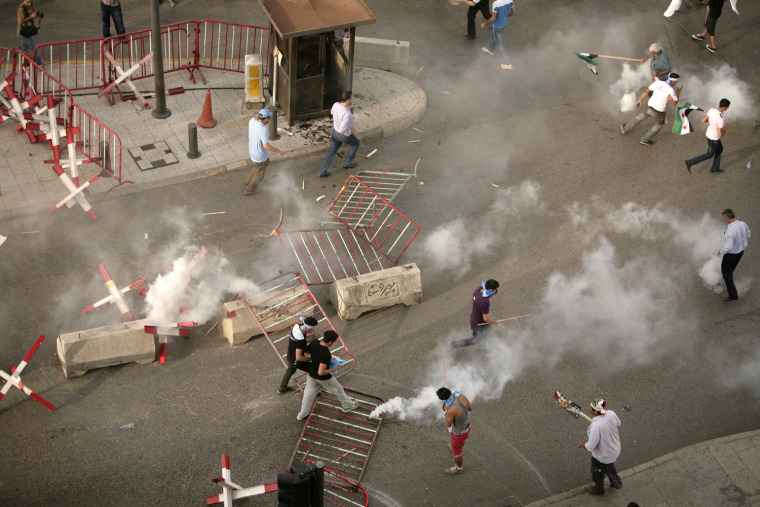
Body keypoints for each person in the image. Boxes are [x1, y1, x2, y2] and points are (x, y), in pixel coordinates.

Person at [296, 330, 358, 421]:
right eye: (334, 341)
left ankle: (302, 415)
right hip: (323, 378)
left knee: (308, 394)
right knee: (338, 389)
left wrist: (315, 356)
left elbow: (307, 350)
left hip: (311, 374)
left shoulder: (315, 342)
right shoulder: (325, 354)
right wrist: (334, 369)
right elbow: (321, 372)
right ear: (330, 342)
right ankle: (348, 405)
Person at [620, 72, 682, 146]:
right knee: (659, 124)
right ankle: (645, 139)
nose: (676, 83)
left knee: (640, 117)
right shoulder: (670, 90)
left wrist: (640, 100)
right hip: (658, 111)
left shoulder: (658, 83)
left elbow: (646, 91)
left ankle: (625, 129)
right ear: (673, 81)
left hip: (650, 106)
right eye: (676, 82)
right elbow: (674, 103)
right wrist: (678, 92)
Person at [577, 398, 623, 496]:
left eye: (590, 408)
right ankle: (616, 483)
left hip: (602, 457)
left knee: (598, 472)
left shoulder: (596, 426)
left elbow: (590, 446)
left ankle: (599, 490)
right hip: (614, 450)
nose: (588, 408)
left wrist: (582, 444)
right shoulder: (612, 413)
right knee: (610, 468)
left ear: (595, 411)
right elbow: (618, 423)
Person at [317, 90, 360, 178]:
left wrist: (348, 108)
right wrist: (350, 131)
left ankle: (322, 171)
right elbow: (342, 130)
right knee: (356, 143)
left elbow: (332, 112)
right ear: (348, 100)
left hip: (334, 132)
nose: (352, 99)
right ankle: (347, 163)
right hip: (343, 135)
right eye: (351, 98)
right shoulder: (347, 115)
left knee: (331, 152)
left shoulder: (336, 105)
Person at [245, 108, 284, 195]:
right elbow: (266, 145)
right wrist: (278, 151)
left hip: (252, 150)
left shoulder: (252, 121)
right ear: (266, 119)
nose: (269, 120)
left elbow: (254, 116)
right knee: (260, 174)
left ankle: (248, 180)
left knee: (260, 166)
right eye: (269, 118)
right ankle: (248, 189)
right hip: (259, 155)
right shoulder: (263, 130)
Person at [685, 98, 730, 174]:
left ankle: (715, 168)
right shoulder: (721, 119)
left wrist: (712, 122)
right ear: (724, 107)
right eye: (728, 107)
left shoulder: (712, 110)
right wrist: (726, 129)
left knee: (719, 150)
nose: (728, 108)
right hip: (714, 139)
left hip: (709, 134)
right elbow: (720, 134)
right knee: (709, 155)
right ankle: (690, 162)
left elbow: (703, 120)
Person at [451, 280, 500, 348]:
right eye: (495, 290)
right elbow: (486, 318)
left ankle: (482, 346)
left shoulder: (479, 289)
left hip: (475, 318)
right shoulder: (485, 303)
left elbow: (486, 296)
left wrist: (494, 292)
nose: (496, 290)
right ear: (491, 290)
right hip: (479, 323)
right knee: (477, 339)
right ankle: (455, 344)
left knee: (483, 334)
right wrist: (494, 322)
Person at [437, 387, 473, 475]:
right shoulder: (462, 397)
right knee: (460, 442)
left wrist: (446, 411)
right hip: (467, 427)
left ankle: (458, 468)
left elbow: (448, 424)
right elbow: (470, 408)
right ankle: (458, 446)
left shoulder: (451, 410)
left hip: (459, 434)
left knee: (457, 453)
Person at [717, 209, 750, 302]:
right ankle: (724, 280)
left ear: (728, 218)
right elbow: (748, 234)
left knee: (726, 271)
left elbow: (728, 247)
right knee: (730, 269)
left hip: (731, 255)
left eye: (724, 218)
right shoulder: (743, 224)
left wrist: (721, 251)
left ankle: (732, 294)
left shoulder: (730, 232)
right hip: (740, 252)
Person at [278, 317, 318, 394]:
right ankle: (312, 392)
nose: (313, 330)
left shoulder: (296, 326)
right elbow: (299, 357)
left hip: (291, 354)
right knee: (314, 371)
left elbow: (301, 348)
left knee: (290, 370)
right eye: (312, 329)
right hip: (296, 360)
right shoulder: (300, 341)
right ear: (307, 328)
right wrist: (311, 358)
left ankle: (282, 388)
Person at [480, 0, 515, 70]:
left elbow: (493, 18)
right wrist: (506, 16)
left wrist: (485, 23)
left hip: (497, 26)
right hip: (504, 24)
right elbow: (514, 12)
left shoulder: (496, 3)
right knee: (494, 36)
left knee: (501, 44)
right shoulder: (509, 0)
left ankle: (508, 63)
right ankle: (491, 50)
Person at [16, 0, 42, 65]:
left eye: (31, 2)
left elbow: (32, 12)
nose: (29, 4)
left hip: (27, 31)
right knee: (35, 48)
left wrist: (37, 13)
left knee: (24, 48)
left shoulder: (30, 6)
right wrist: (31, 17)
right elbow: (20, 21)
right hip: (22, 32)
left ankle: (23, 62)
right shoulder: (21, 9)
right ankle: (39, 64)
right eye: (28, 2)